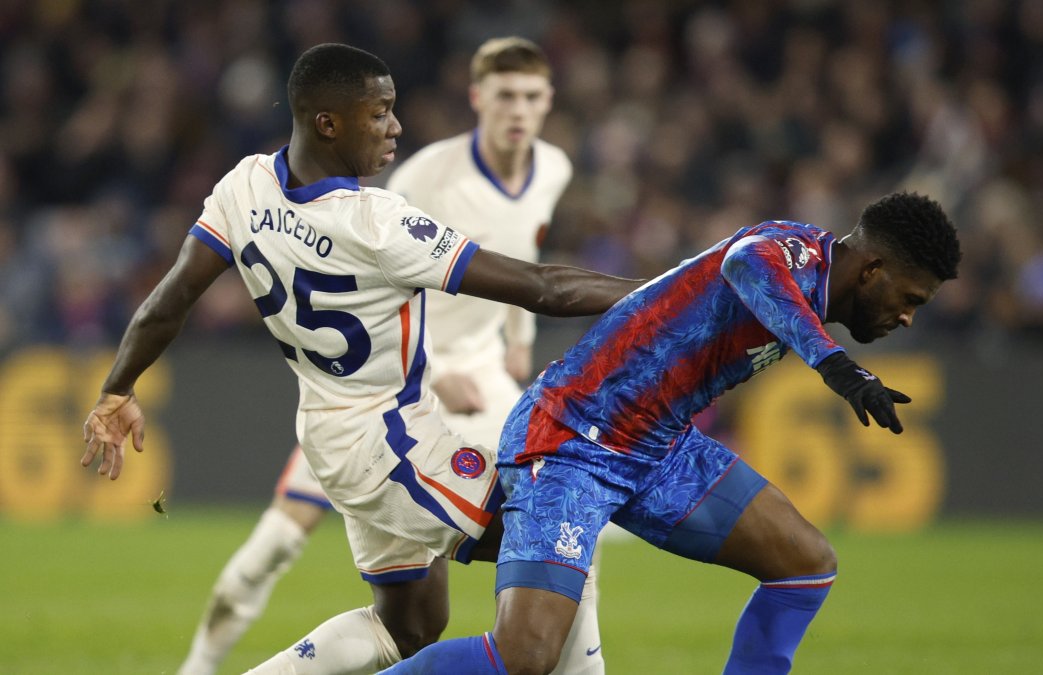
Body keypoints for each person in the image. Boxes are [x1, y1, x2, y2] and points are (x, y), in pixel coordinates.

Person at [80, 42, 640, 675]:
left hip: (330, 429)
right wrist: (676, 287)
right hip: (389, 441)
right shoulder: (379, 224)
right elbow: (543, 287)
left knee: (411, 628)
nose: (395, 126)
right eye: (380, 113)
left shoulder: (244, 185)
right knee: (559, 534)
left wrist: (116, 389)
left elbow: (171, 298)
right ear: (328, 123)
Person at [381, 191, 963, 675]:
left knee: (807, 564)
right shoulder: (785, 252)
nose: (908, 316)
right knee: (527, 656)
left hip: (660, 450)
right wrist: (836, 366)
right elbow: (744, 263)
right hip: (571, 442)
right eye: (910, 298)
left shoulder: (812, 265)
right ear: (873, 270)